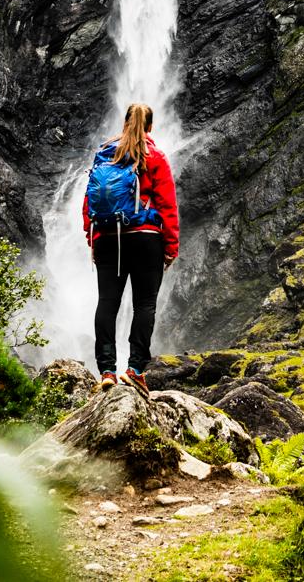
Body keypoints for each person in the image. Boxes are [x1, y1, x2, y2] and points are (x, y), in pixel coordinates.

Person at [82, 102, 179, 393]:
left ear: (124, 123)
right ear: (150, 127)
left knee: (107, 303)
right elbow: (167, 205)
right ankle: (135, 369)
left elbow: (88, 202)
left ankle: (107, 371)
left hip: (108, 238)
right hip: (146, 238)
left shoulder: (105, 153)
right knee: (145, 304)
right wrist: (171, 245)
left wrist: (93, 237)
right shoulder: (156, 156)